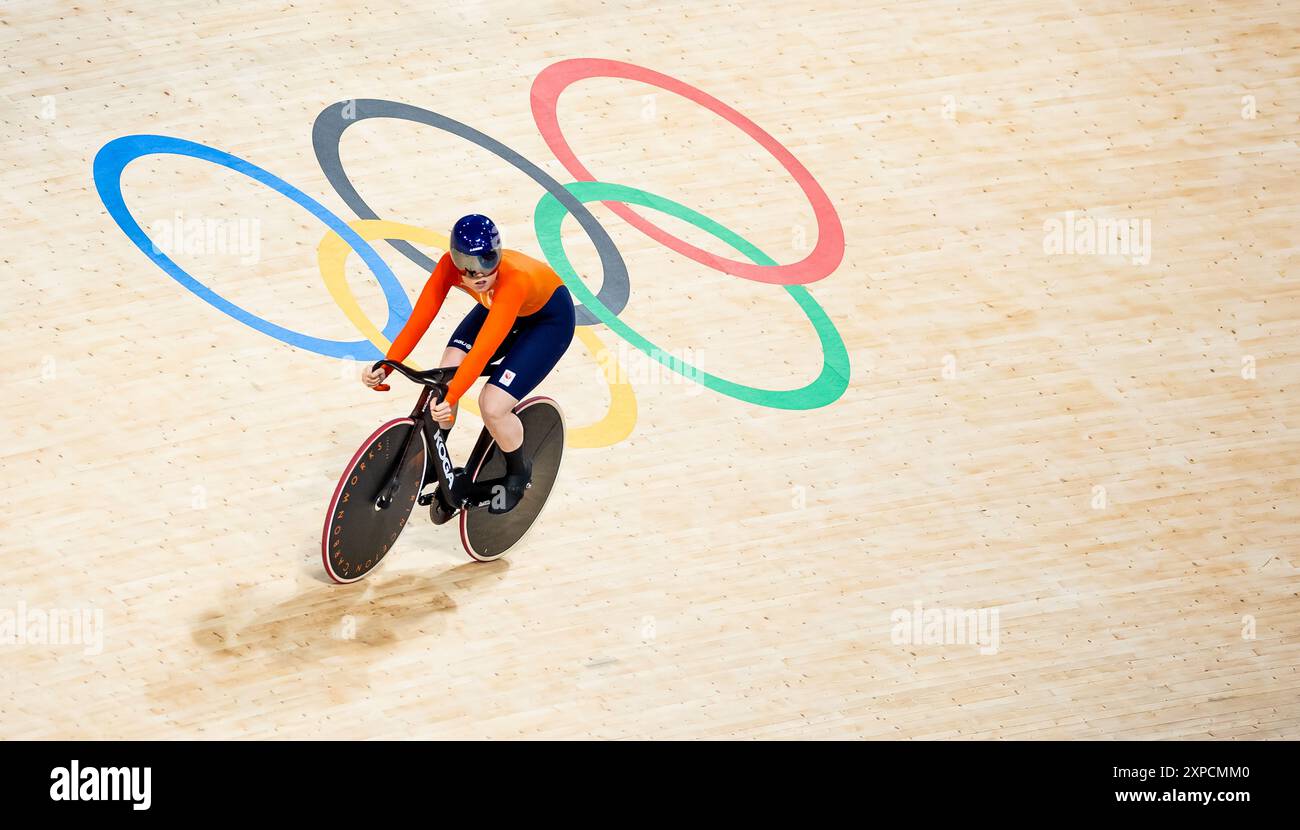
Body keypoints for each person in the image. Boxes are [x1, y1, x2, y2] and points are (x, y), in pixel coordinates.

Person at [361, 214, 574, 515]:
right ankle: (438, 459)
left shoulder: (512, 279)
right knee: (447, 366)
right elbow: (421, 318)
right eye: (469, 266)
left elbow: (483, 349)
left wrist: (452, 397)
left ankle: (518, 473)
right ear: (455, 259)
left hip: (547, 323)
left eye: (488, 262)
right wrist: (389, 363)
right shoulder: (449, 267)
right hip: (499, 307)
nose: (479, 274)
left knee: (492, 404)